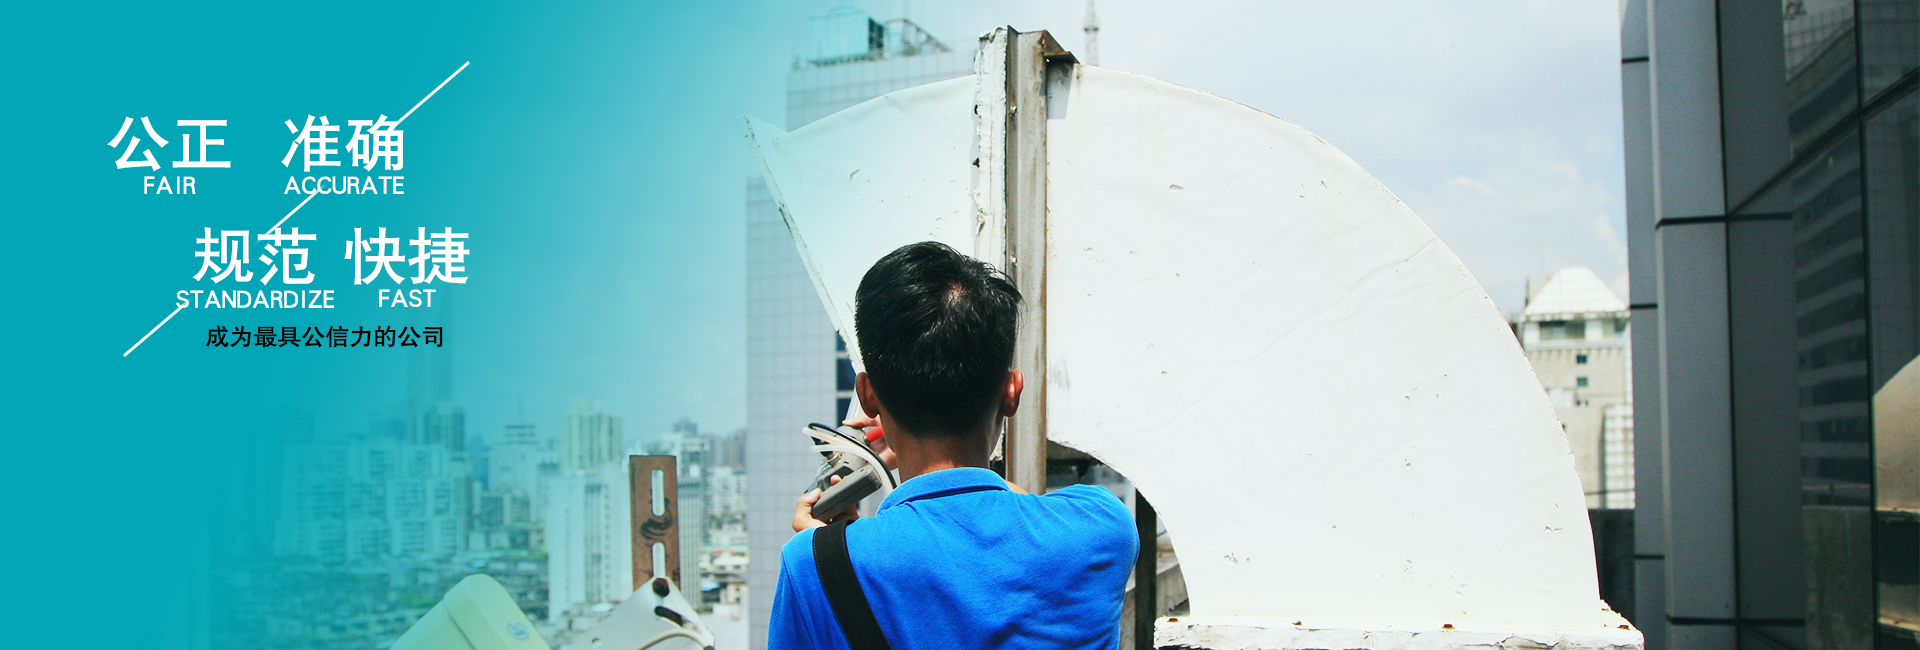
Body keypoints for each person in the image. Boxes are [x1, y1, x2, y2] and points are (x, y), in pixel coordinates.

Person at [768, 241, 1138, 650]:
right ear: (1012, 392)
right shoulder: (1102, 526)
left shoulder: (813, 566)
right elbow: (1004, 509)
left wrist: (827, 554)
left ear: (867, 395)